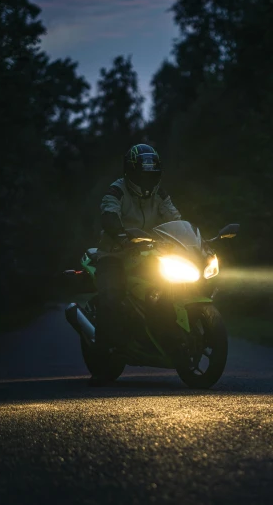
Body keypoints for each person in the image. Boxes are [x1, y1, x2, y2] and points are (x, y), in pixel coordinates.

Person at [91, 143, 182, 385]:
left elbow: (175, 218)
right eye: (143, 174)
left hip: (148, 253)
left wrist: (187, 237)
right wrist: (119, 233)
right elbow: (109, 214)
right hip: (115, 254)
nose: (147, 179)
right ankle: (101, 365)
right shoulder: (116, 191)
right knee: (111, 300)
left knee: (167, 289)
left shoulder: (160, 194)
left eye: (152, 174)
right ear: (131, 172)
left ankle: (167, 339)